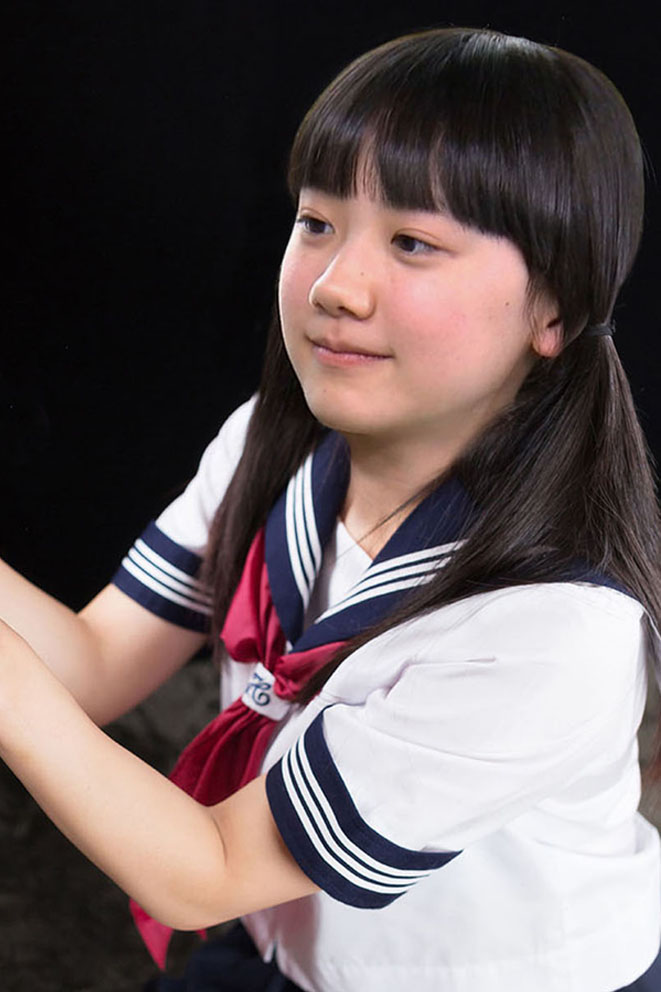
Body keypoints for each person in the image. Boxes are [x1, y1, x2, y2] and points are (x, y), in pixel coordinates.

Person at [0, 25, 660, 992]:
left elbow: (203, 871)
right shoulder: (273, 443)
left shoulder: (554, 626)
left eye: (412, 242)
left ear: (552, 308)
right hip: (280, 937)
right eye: (316, 222)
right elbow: (94, 665)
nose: (334, 285)